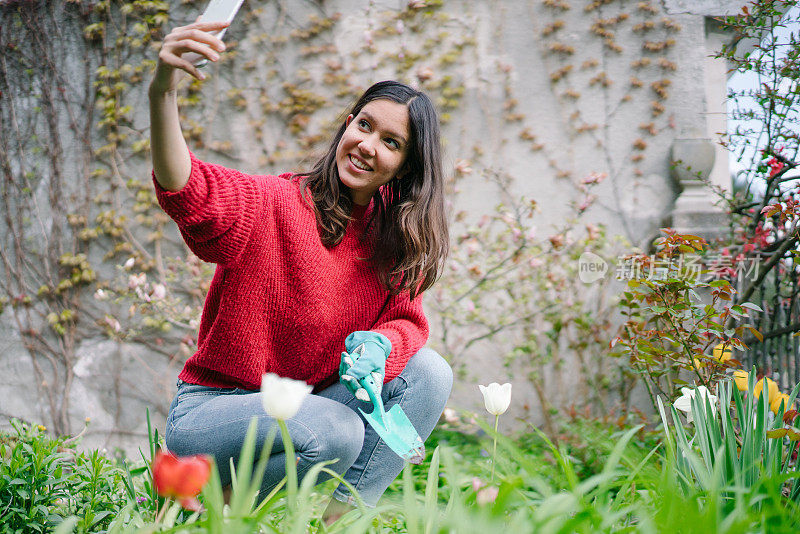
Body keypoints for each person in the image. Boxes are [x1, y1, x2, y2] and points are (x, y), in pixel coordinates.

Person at [148, 18, 452, 523]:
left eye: (392, 143)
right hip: (214, 415)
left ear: (407, 167)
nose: (369, 145)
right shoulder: (274, 204)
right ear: (347, 124)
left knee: (428, 374)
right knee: (336, 430)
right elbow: (188, 190)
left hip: (306, 409)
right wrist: (163, 90)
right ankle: (198, 509)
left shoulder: (394, 241)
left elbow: (407, 323)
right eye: (364, 125)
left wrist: (381, 346)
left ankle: (339, 521)